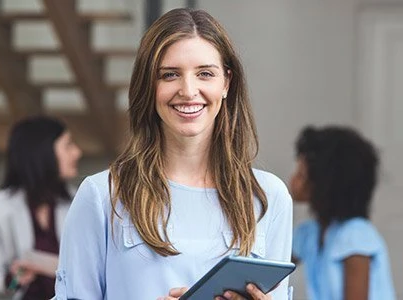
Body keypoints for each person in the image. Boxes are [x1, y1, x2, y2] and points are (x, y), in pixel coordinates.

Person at [54, 7, 293, 300]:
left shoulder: (269, 197)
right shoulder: (102, 196)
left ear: (226, 83)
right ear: (149, 85)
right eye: (169, 75)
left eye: (205, 73)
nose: (188, 90)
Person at [0, 116, 82, 300]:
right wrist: (12, 280)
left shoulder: (79, 202)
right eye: (68, 145)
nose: (77, 152)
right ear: (42, 153)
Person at [289, 125, 396, 300]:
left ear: (324, 183)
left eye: (301, 174)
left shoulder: (355, 235)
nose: (292, 180)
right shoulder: (309, 233)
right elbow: (268, 267)